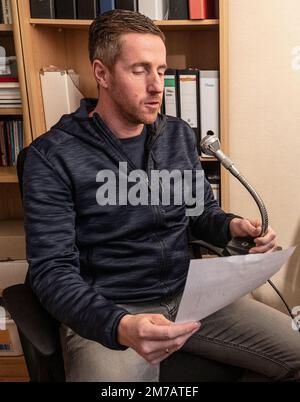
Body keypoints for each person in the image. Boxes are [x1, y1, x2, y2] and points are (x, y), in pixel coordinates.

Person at [23, 10, 300, 382]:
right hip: (113, 309)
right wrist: (119, 325)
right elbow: (51, 272)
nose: (157, 86)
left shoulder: (178, 135)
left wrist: (231, 227)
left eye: (161, 70)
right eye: (140, 70)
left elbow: (200, 213)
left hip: (193, 299)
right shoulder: (51, 156)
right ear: (102, 73)